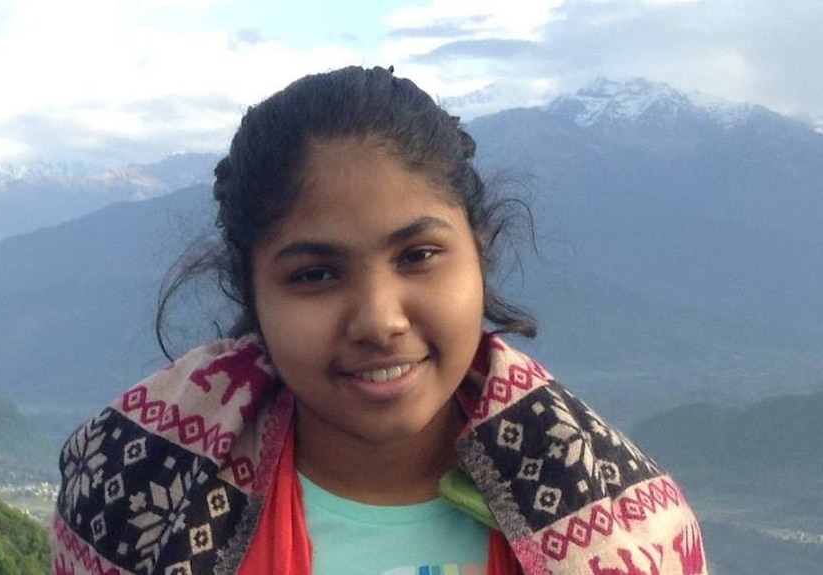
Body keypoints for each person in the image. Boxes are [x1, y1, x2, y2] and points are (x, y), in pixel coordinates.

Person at [51, 66, 707, 575]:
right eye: (315, 274)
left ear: (480, 255)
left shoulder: (627, 526)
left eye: (418, 255)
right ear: (253, 296)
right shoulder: (132, 505)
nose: (379, 319)